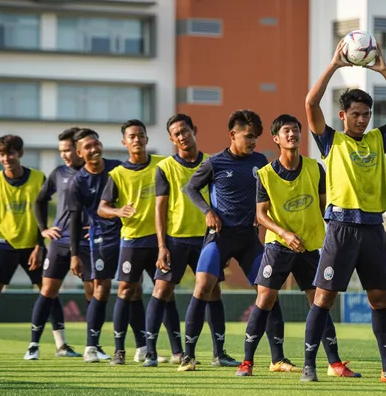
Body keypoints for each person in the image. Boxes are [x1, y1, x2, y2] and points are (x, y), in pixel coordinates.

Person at [301, 40, 386, 382]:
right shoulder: (330, 140)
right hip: (340, 227)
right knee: (324, 297)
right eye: (355, 114)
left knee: (379, 298)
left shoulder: (379, 139)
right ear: (343, 115)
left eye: (366, 114)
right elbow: (310, 102)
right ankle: (310, 365)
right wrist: (335, 64)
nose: (362, 120)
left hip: (372, 228)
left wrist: (383, 70)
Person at [235, 114, 359, 378]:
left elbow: (326, 206)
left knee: (320, 303)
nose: (293, 135)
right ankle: (246, 362)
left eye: (296, 131)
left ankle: (335, 364)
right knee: (264, 299)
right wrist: (284, 233)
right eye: (287, 131)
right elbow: (260, 215)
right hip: (278, 246)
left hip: (311, 247)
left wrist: (334, 234)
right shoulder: (266, 174)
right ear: (276, 139)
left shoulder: (316, 168)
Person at [179, 110, 288, 372]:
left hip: (249, 239)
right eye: (248, 136)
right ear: (232, 134)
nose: (253, 142)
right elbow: (190, 188)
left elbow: (270, 193)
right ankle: (188, 356)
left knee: (269, 292)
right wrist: (208, 212)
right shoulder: (214, 163)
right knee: (203, 286)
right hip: (220, 237)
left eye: (256, 138)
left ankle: (278, 359)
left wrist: (264, 215)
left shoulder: (261, 161)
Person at [144, 114, 230, 367]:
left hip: (207, 240)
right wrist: (161, 247)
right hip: (176, 240)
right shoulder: (165, 168)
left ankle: (219, 353)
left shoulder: (213, 162)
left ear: (195, 130)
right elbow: (159, 211)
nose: (182, 136)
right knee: (162, 290)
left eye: (185, 131)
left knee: (214, 291)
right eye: (176, 134)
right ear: (172, 139)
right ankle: (150, 352)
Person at [0, 135, 50, 358]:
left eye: (10, 153)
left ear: (20, 154)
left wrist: (40, 245)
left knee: (48, 290)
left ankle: (60, 345)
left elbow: (44, 216)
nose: (6, 158)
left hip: (33, 246)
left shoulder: (39, 178)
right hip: (5, 245)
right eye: (2, 154)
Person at [97, 119, 168, 366]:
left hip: (160, 241)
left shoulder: (162, 164)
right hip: (132, 242)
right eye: (132, 136)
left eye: (140, 135)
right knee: (126, 291)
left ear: (147, 139)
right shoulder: (116, 174)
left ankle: (167, 350)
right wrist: (118, 212)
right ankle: (119, 351)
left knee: (165, 292)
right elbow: (102, 208)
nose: (137, 140)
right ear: (124, 142)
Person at [23, 127, 94, 360]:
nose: (64, 154)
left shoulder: (95, 172)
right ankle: (33, 346)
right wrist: (44, 229)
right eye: (61, 150)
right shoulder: (58, 173)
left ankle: (92, 346)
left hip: (87, 243)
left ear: (79, 149)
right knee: (47, 291)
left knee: (93, 294)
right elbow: (39, 201)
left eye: (68, 150)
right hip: (60, 242)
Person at [67, 128, 122, 363]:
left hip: (127, 234)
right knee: (101, 289)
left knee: (133, 288)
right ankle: (92, 346)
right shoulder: (78, 182)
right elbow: (74, 220)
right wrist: (74, 255)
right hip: (99, 238)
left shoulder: (117, 168)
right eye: (87, 147)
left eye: (96, 144)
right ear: (79, 153)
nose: (94, 149)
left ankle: (142, 347)